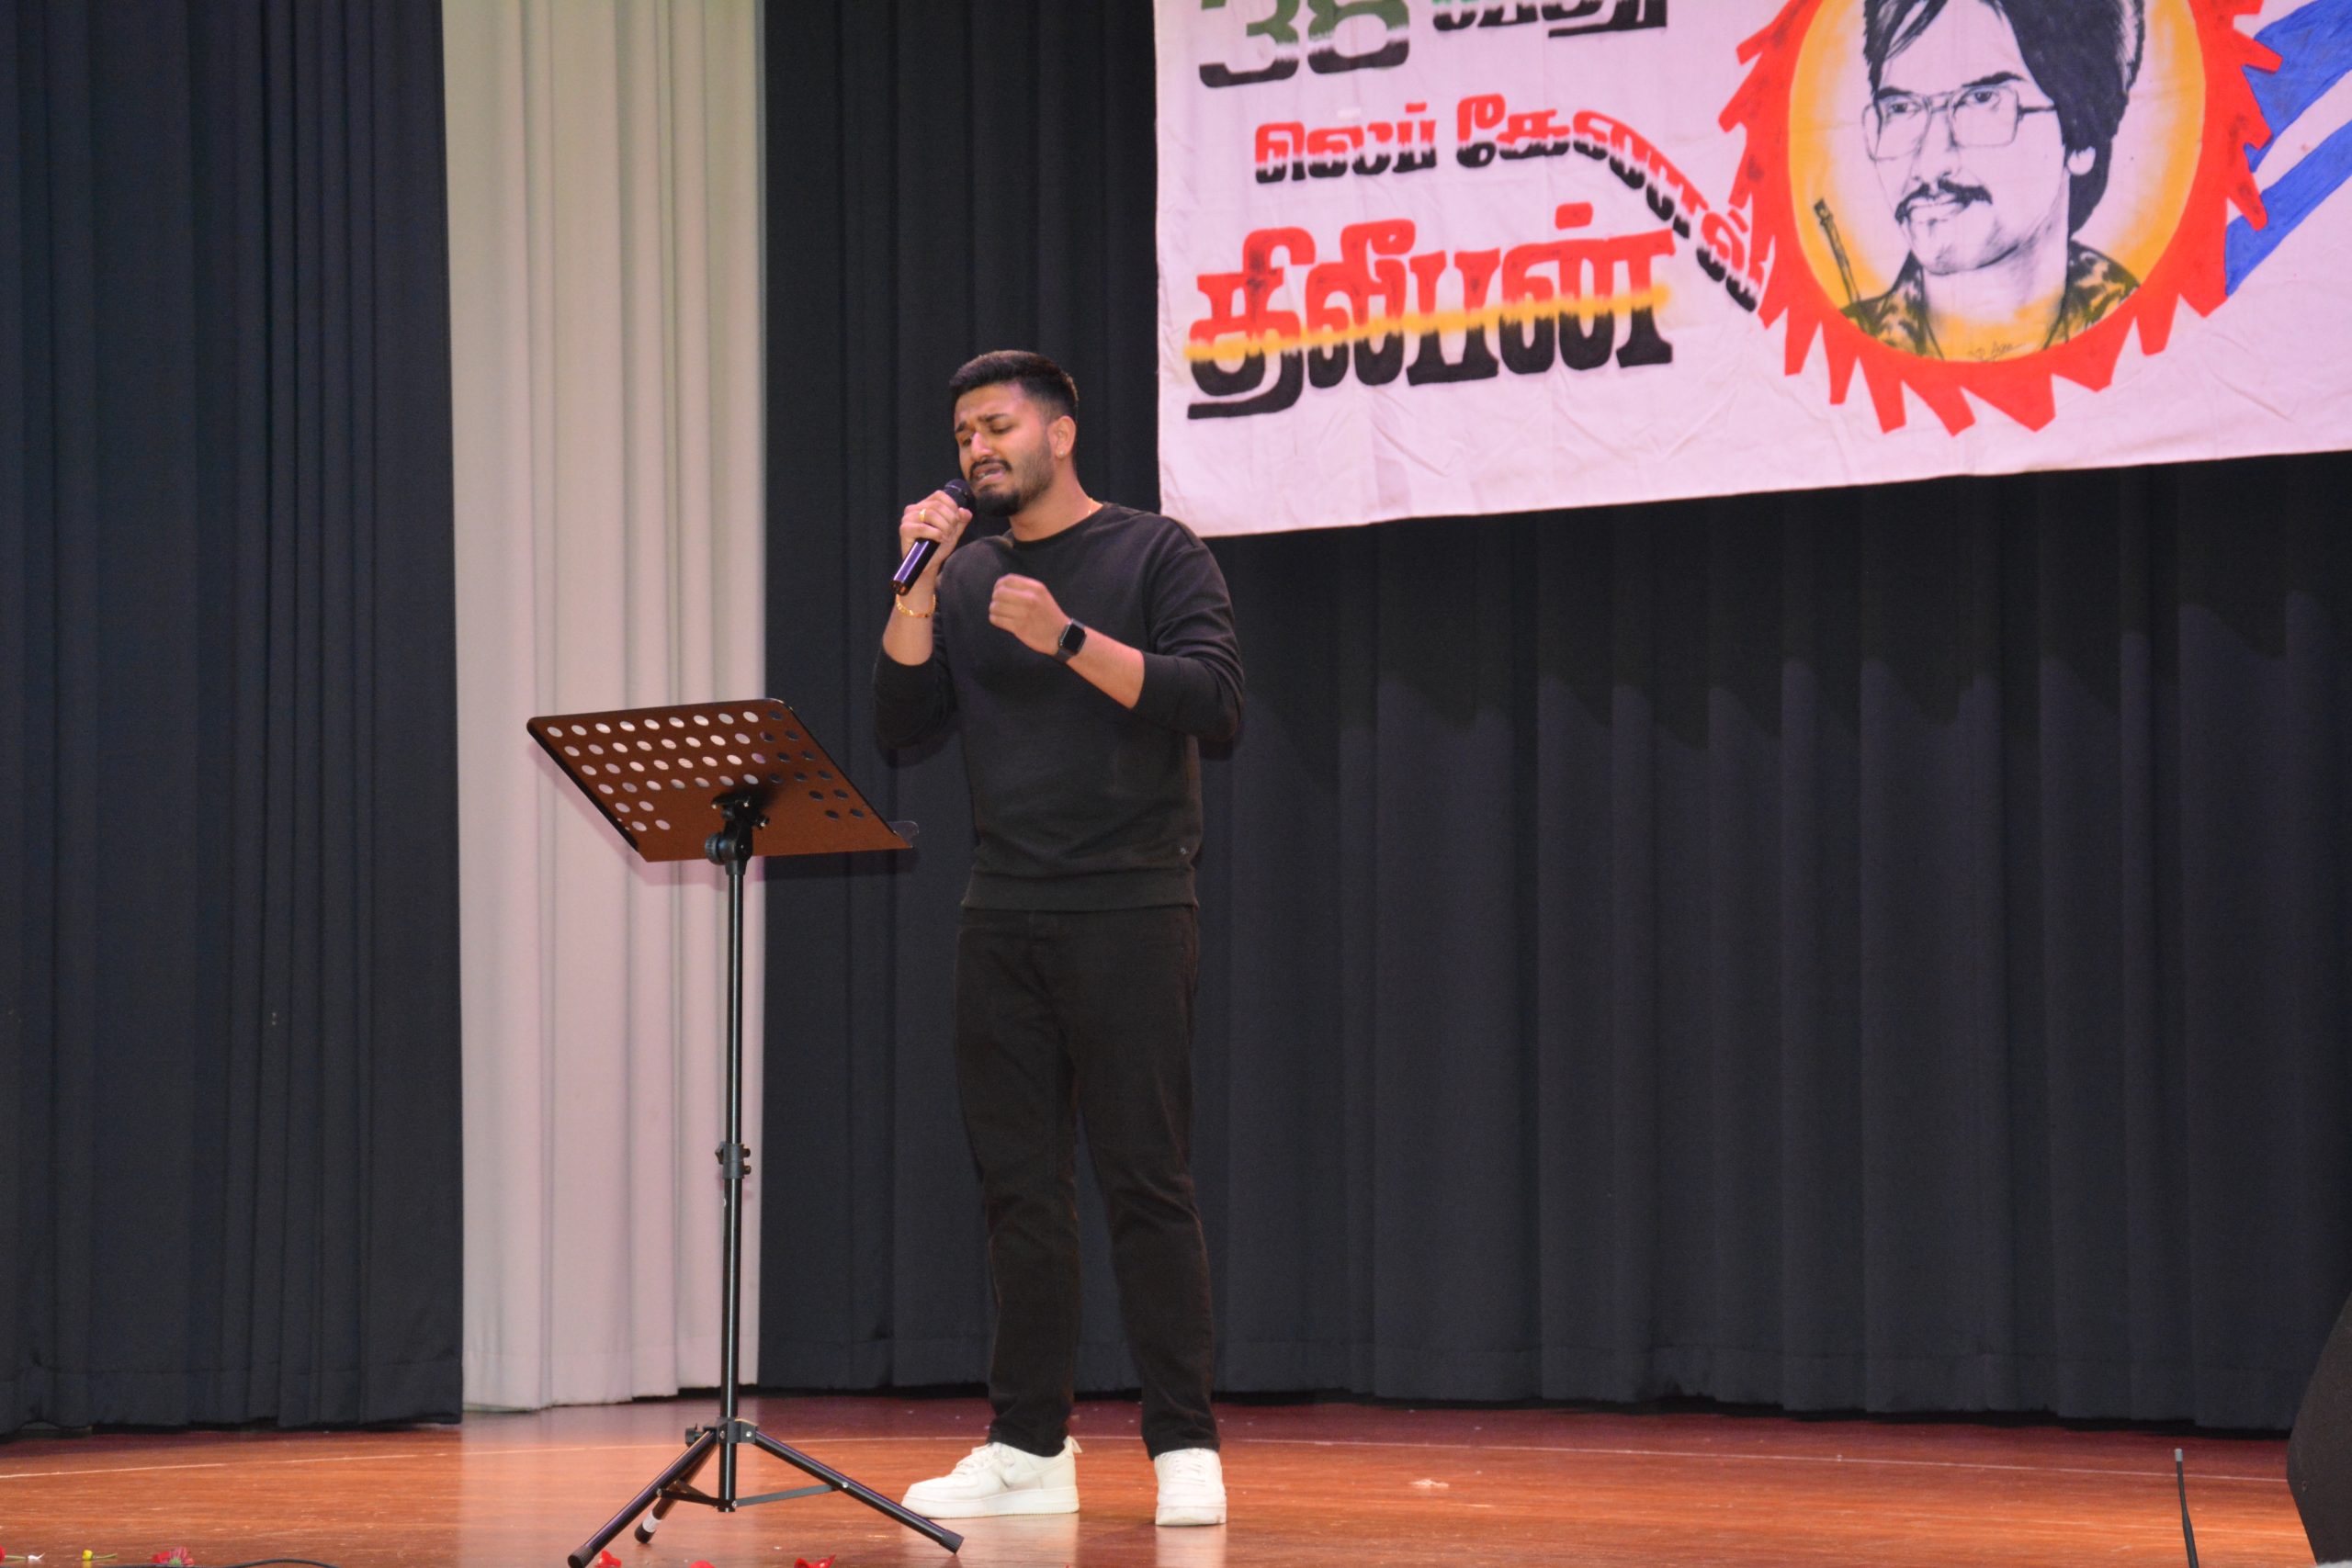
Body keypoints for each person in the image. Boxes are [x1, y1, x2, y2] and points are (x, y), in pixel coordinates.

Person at [875, 351, 1243, 1528]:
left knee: (1145, 1181)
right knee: (1018, 1193)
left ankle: (1183, 1445)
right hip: (1003, 911)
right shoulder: (968, 570)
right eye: (963, 435)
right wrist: (918, 583)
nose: (977, 451)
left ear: (1060, 433)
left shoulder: (1154, 552)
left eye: (996, 427)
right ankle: (1029, 1446)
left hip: (1130, 904)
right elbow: (899, 722)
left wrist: (1070, 638)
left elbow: (1214, 702)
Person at [1845, 0, 2143, 360]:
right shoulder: (1840, 353)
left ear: (2081, 134)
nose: (1930, 164)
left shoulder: (2146, 344)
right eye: (1901, 108)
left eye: (1982, 100)